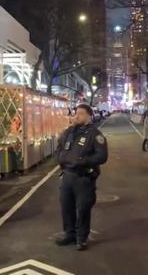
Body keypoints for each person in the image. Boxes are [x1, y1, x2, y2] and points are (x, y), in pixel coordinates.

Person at [55, 104, 108, 251]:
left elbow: (102, 156)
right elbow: (59, 148)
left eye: (81, 114)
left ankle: (81, 238)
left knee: (83, 209)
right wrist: (60, 159)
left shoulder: (95, 134)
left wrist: (83, 161)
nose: (76, 116)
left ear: (89, 116)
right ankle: (69, 234)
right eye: (76, 113)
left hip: (83, 177)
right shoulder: (69, 132)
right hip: (67, 176)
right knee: (66, 207)